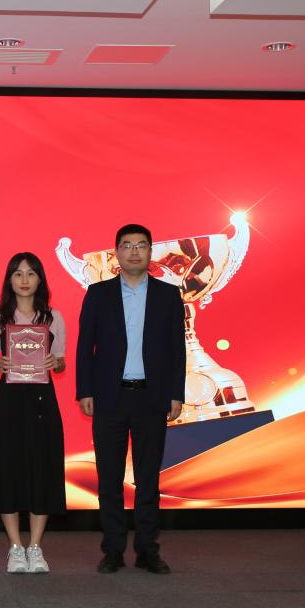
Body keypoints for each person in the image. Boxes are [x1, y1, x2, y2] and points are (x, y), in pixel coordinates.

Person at [75, 223, 185, 575]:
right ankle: (113, 550)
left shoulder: (168, 295)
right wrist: (84, 390)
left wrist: (176, 393)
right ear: (116, 253)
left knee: (148, 478)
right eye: (127, 245)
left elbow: (177, 349)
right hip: (110, 397)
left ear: (150, 252)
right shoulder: (98, 294)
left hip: (152, 397)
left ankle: (148, 550)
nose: (134, 251)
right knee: (109, 478)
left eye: (141, 245)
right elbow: (85, 347)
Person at [0, 252, 67, 574]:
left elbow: (61, 361)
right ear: (9, 280)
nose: (24, 280)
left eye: (31, 273)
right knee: (7, 469)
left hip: (42, 400)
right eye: (18, 274)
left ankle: (36, 547)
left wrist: (55, 362)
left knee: (41, 469)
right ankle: (16, 547)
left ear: (40, 279)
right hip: (10, 401)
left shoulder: (53, 317)